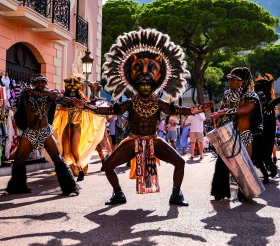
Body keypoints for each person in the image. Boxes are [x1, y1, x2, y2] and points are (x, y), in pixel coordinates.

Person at [73, 28, 213, 206]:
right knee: (108, 165)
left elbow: (177, 110)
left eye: (148, 84)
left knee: (179, 162)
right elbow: (109, 111)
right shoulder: (130, 103)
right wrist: (86, 106)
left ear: (155, 84)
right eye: (142, 84)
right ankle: (118, 194)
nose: (145, 86)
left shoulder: (159, 102)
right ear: (135, 85)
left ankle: (176, 194)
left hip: (154, 140)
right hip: (133, 141)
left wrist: (199, 109)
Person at [5, 74, 79, 196]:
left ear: (46, 83)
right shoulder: (27, 93)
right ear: (34, 83)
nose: (40, 85)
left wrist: (67, 99)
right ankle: (16, 186)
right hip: (30, 132)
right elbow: (30, 92)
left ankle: (70, 188)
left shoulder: (50, 96)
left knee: (57, 159)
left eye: (43, 82)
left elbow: (63, 100)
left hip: (45, 131)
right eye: (38, 82)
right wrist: (49, 94)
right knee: (19, 159)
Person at [209, 67, 262, 201]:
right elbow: (221, 109)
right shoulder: (227, 94)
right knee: (222, 164)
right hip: (227, 134)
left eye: (233, 79)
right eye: (229, 79)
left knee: (244, 166)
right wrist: (217, 114)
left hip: (243, 135)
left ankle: (246, 193)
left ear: (241, 82)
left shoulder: (250, 95)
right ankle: (220, 192)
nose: (230, 82)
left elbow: (247, 109)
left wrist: (224, 112)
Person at [52, 76, 106, 181]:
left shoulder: (81, 100)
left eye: (74, 90)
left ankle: (80, 170)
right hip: (67, 127)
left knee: (74, 149)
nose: (72, 92)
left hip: (77, 127)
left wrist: (98, 109)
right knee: (64, 151)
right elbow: (57, 107)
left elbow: (91, 106)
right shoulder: (64, 100)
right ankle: (65, 172)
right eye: (70, 90)